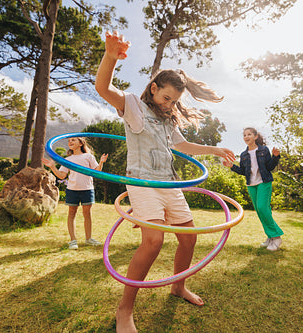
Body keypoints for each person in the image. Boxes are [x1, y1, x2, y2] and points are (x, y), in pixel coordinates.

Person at [95, 31, 235, 333]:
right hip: (142, 183)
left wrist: (214, 149)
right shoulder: (133, 105)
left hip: (169, 184)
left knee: (189, 238)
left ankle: (177, 287)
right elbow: (103, 88)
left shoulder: (169, 119)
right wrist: (110, 56)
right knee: (154, 241)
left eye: (174, 101)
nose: (169, 104)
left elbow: (182, 146)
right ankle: (125, 310)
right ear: (154, 88)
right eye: (166, 97)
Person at [223, 127, 283, 251]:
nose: (246, 137)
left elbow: (269, 167)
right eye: (244, 135)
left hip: (264, 182)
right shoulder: (244, 155)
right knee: (261, 211)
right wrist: (231, 166)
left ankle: (276, 237)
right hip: (251, 185)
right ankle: (270, 237)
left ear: (255, 137)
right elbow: (243, 171)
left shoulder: (264, 150)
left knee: (262, 207)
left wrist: (275, 157)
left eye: (249, 134)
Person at [42, 137, 108, 250]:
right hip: (72, 189)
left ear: (81, 143)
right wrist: (52, 167)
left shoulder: (88, 156)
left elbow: (97, 172)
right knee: (71, 214)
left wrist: (101, 162)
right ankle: (73, 241)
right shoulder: (68, 159)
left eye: (73, 140)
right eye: (69, 141)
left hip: (87, 188)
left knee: (87, 214)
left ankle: (88, 239)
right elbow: (62, 175)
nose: (70, 142)